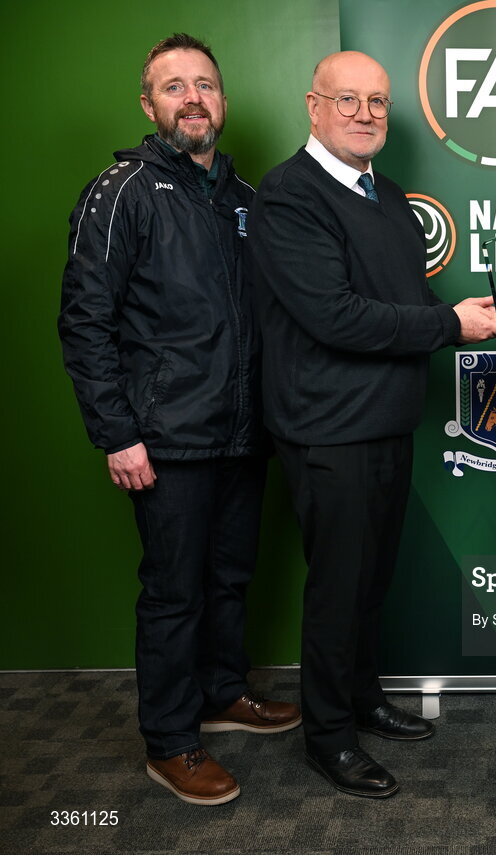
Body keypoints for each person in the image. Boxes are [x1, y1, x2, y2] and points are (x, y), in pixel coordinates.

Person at [245, 51, 496, 800]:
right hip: (328, 430)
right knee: (338, 588)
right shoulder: (288, 196)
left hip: (388, 424)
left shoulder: (388, 196)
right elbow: (335, 316)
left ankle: (361, 698)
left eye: (378, 103)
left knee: (370, 582)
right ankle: (328, 735)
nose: (366, 114)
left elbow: (402, 302)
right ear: (314, 106)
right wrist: (447, 325)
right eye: (349, 100)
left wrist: (466, 320)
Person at [58, 33, 300, 807]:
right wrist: (117, 433)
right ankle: (170, 739)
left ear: (221, 101)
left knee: (230, 577)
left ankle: (223, 692)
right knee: (174, 593)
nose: (192, 97)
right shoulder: (121, 191)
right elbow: (84, 321)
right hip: (164, 439)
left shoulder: (244, 199)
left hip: (240, 434)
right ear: (148, 104)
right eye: (173, 86)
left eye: (204, 84)